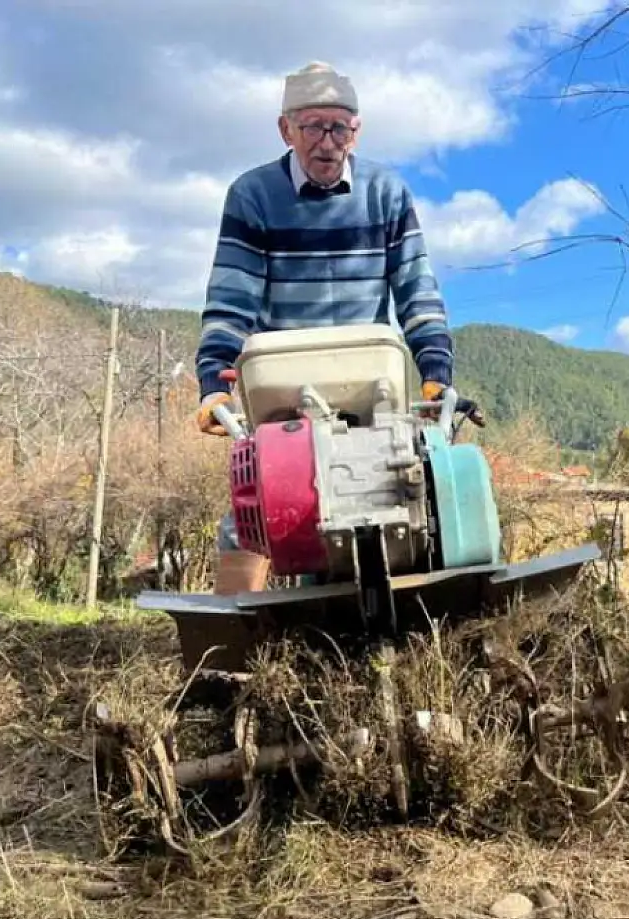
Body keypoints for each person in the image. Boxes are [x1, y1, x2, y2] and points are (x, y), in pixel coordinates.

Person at [193, 61, 456, 595]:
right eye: (313, 126)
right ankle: (229, 653)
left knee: (408, 500)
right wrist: (211, 385)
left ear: (356, 131)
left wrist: (435, 371)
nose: (327, 142)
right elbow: (232, 297)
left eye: (340, 127)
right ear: (285, 129)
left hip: (370, 383)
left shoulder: (386, 192)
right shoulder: (254, 195)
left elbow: (417, 290)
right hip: (284, 387)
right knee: (258, 512)